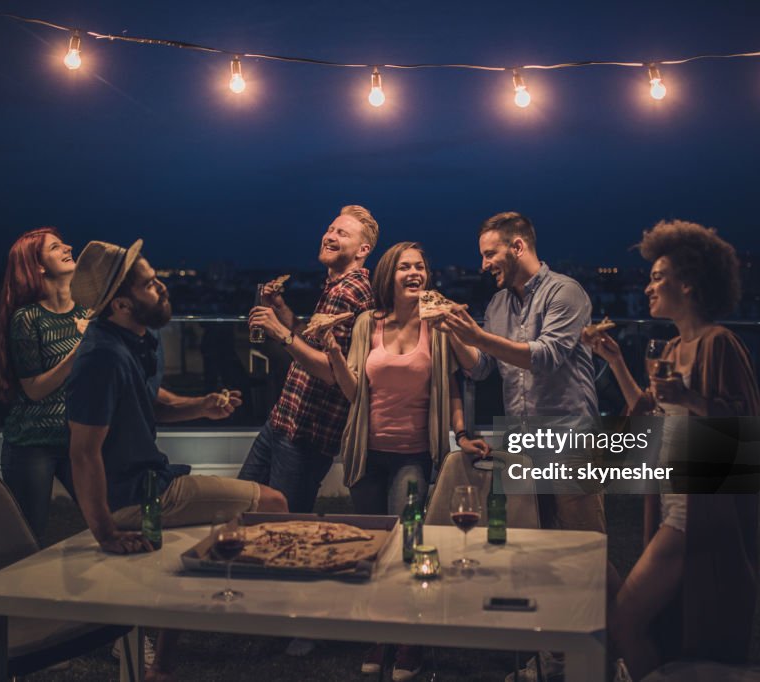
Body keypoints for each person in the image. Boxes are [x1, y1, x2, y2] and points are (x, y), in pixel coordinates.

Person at [66, 239, 287, 682]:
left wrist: (201, 406)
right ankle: (278, 618)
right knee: (275, 504)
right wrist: (106, 531)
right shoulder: (101, 358)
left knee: (192, 551)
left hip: (153, 479)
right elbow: (82, 452)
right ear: (122, 302)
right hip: (137, 495)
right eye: (149, 284)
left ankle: (161, 665)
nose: (162, 287)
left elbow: (150, 402)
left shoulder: (137, 338)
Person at [587, 219, 760, 680]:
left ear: (688, 283)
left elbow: (746, 430)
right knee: (662, 623)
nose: (648, 286)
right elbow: (646, 410)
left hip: (697, 513)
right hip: (672, 504)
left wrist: (688, 399)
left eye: (658, 276)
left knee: (625, 617)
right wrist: (614, 360)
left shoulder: (718, 343)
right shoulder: (669, 347)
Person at [315, 242, 483, 681]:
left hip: (412, 453)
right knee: (371, 550)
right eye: (405, 266)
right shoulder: (367, 323)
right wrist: (333, 353)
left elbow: (458, 382)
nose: (414, 272)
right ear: (388, 275)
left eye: (420, 266)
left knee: (406, 544)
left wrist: (461, 433)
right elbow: (355, 395)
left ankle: (409, 638)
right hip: (366, 454)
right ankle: (380, 634)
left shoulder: (437, 324)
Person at [439, 212, 604, 532]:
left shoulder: (565, 292)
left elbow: (545, 357)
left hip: (571, 441)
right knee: (529, 543)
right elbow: (482, 367)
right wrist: (452, 333)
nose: (483, 265)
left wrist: (478, 337)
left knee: (583, 547)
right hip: (522, 444)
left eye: (489, 254)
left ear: (517, 246)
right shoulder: (497, 304)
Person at [241, 205, 379, 513]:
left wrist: (279, 332)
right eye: (330, 229)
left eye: (342, 233)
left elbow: (332, 371)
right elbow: (313, 341)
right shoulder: (335, 286)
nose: (329, 236)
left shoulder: (350, 292)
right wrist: (283, 310)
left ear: (363, 249)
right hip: (284, 421)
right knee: (246, 505)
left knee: (277, 522)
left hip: (305, 435)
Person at [0, 227, 87, 540]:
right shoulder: (28, 318)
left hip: (79, 441)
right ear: (39, 266)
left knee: (106, 521)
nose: (68, 247)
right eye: (56, 247)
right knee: (30, 535)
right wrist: (81, 347)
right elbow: (34, 389)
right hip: (32, 445)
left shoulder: (87, 312)